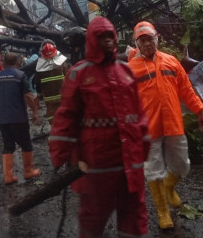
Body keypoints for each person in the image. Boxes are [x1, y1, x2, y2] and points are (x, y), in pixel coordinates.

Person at [49, 16, 150, 238]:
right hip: (95, 165)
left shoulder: (125, 72)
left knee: (134, 217)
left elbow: (139, 113)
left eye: (110, 36)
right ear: (92, 41)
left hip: (129, 164)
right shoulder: (79, 73)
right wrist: (60, 155)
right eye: (101, 37)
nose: (107, 41)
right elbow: (65, 116)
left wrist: (145, 144)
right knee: (93, 218)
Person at [127, 20, 203, 230]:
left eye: (150, 39)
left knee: (182, 165)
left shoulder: (171, 62)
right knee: (153, 170)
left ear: (157, 39)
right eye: (142, 41)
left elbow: (186, 90)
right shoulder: (130, 69)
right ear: (136, 44)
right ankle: (163, 213)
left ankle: (169, 187)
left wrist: (199, 110)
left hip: (173, 123)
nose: (147, 44)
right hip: (148, 128)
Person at [0, 52, 41, 184]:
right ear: (17, 62)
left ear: (5, 62)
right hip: (18, 117)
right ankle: (28, 171)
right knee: (26, 144)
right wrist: (35, 111)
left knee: (8, 146)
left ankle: (8, 176)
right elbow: (28, 95)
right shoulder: (20, 75)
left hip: (2, 118)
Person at [33, 40, 70, 120]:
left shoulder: (39, 66)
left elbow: (37, 83)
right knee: (65, 115)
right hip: (62, 95)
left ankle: (55, 130)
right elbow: (68, 77)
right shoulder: (62, 63)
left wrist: (39, 96)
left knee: (52, 116)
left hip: (48, 98)